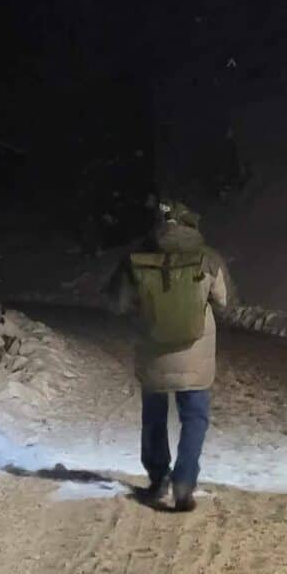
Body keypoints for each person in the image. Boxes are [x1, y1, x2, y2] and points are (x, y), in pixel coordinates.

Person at [108, 200, 229, 511]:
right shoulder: (207, 258)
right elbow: (223, 300)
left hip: (154, 348)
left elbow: (119, 303)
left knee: (154, 416)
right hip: (196, 350)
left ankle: (158, 476)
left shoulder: (137, 258)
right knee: (195, 417)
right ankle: (184, 482)